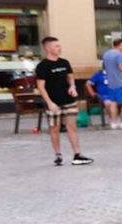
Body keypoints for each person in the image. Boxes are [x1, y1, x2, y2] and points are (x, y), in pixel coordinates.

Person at [34, 37, 92, 166]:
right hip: (53, 102)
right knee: (55, 128)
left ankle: (77, 154)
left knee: (72, 127)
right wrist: (49, 102)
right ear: (47, 48)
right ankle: (58, 155)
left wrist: (72, 86)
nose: (59, 48)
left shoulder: (64, 62)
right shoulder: (42, 66)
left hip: (69, 100)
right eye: (56, 46)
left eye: (59, 46)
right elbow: (41, 87)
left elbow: (70, 78)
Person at [100, 40, 122, 129]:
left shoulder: (106, 54)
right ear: (119, 45)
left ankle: (114, 122)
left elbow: (104, 66)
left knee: (113, 102)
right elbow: (121, 68)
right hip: (120, 81)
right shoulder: (119, 55)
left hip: (110, 81)